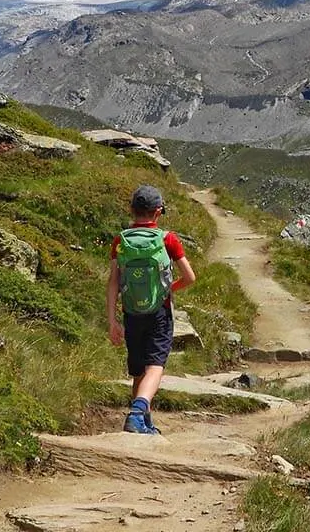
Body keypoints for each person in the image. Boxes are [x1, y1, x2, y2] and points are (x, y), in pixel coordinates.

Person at [106, 185, 196, 434]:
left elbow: (113, 281)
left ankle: (144, 421)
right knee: (155, 365)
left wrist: (112, 321)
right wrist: (167, 290)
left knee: (138, 369)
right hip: (159, 312)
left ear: (132, 210)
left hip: (130, 311)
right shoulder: (167, 239)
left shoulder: (120, 241)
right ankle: (137, 413)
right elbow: (190, 277)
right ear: (158, 212)